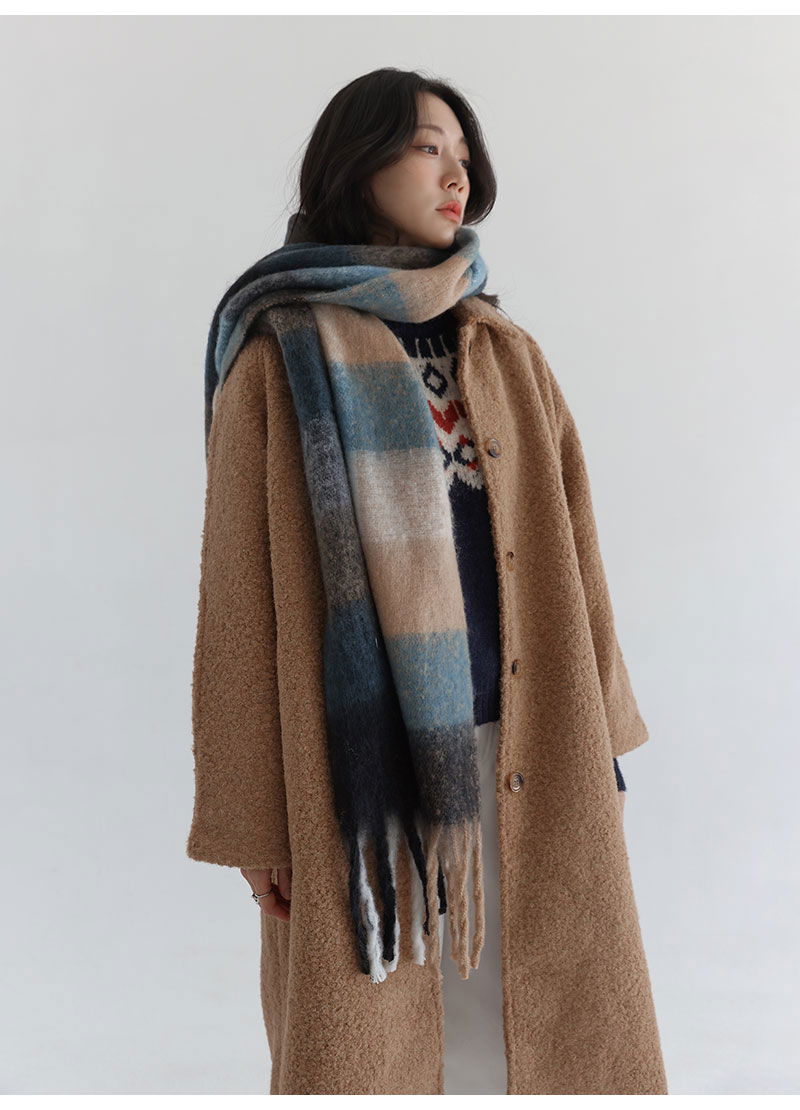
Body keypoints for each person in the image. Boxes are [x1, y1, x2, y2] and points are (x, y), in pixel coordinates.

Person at [187, 68, 667, 1095]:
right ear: (356, 165)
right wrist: (252, 819)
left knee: (535, 1036)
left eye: (463, 155)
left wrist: (603, 753)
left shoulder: (504, 353)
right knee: (381, 1045)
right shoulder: (278, 360)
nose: (456, 175)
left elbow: (578, 564)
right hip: (359, 776)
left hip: (533, 743)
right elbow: (236, 609)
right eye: (425, 148)